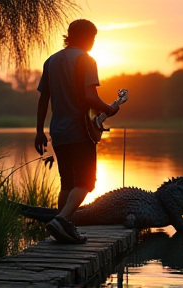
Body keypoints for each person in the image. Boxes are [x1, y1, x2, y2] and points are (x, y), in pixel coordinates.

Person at [34, 19, 119, 244]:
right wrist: (109, 108)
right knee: (86, 183)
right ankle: (61, 220)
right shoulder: (86, 59)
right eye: (92, 38)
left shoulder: (51, 61)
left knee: (67, 184)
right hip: (80, 132)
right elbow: (90, 97)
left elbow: (44, 99)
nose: (92, 42)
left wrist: (39, 131)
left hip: (58, 132)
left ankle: (63, 230)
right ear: (87, 38)